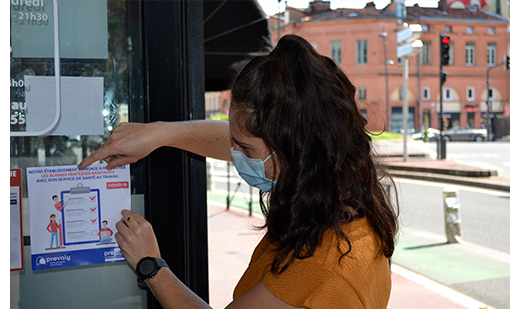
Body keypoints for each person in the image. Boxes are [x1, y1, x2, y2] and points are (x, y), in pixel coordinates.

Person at [79, 34, 398, 308]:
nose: (234, 154)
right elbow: (236, 141)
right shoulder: (344, 186)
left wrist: (150, 264)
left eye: (244, 149)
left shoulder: (321, 265)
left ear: (293, 152)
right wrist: (160, 133)